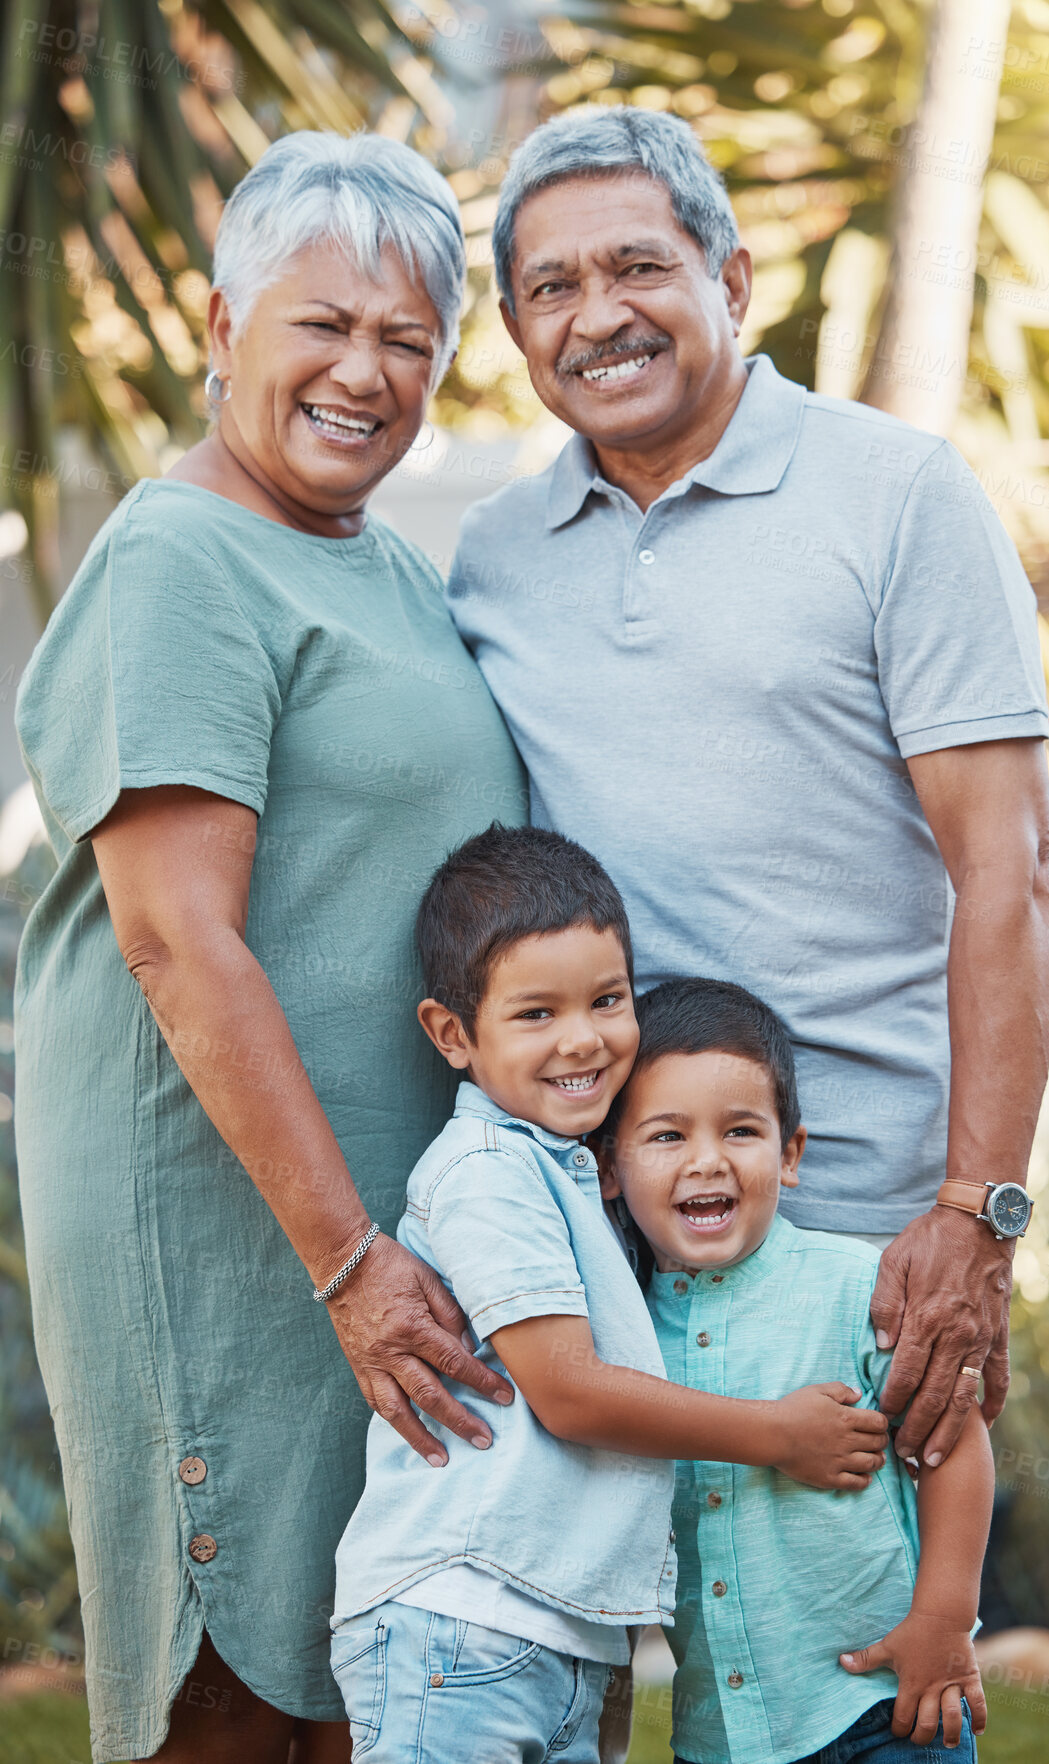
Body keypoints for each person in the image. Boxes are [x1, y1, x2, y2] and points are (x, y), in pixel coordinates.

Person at [446, 106, 1049, 1470]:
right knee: (585, 1657)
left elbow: (1007, 873)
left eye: (637, 268)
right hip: (603, 1225)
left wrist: (975, 1211)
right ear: (514, 329)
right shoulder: (493, 558)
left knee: (856, 1661)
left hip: (865, 1237)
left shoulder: (899, 495)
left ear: (727, 281)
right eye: (553, 287)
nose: (597, 315)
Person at [14, 132, 526, 1764]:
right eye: (324, 323)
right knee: (224, 1702)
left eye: (406, 339)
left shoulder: (377, 560)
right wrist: (348, 1262)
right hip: (241, 1231)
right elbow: (176, 940)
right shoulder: (180, 555)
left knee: (350, 1693)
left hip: (366, 1234)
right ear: (224, 320)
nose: (363, 371)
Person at [330, 824, 890, 1762]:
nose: (582, 1038)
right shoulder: (487, 1170)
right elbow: (570, 1391)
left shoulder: (568, 1171)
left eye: (606, 999)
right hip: (463, 1617)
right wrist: (775, 1435)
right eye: (535, 1014)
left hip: (554, 1636)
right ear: (452, 1034)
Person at [601, 976, 995, 1764]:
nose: (706, 1161)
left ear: (789, 1155)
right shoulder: (617, 1330)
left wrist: (944, 1622)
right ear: (609, 1167)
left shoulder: (857, 1287)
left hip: (888, 1707)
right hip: (721, 1733)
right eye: (666, 1136)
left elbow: (953, 1445)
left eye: (739, 1132)